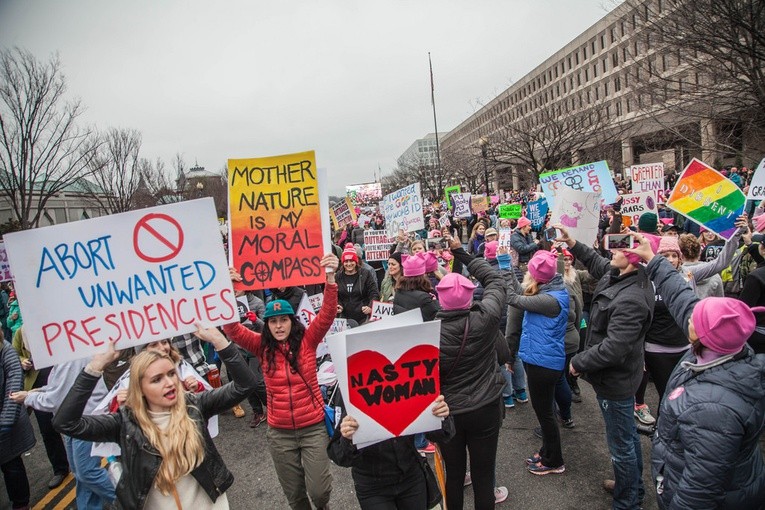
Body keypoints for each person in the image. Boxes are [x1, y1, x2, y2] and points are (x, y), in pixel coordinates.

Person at [628, 233, 765, 509]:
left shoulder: (714, 409)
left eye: (697, 319)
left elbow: (700, 489)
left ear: (702, 336)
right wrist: (652, 259)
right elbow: (681, 296)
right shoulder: (722, 348)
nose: (690, 316)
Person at [53, 324, 256, 509]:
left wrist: (220, 341)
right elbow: (65, 423)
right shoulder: (125, 423)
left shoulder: (195, 405)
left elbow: (245, 385)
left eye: (171, 374)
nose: (169, 382)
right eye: (157, 379)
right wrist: (94, 368)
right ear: (139, 387)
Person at [222, 253, 339, 510]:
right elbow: (231, 329)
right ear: (267, 325)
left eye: (283, 320)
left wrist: (330, 277)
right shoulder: (261, 347)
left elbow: (328, 314)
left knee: (319, 494)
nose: (278, 325)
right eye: (273, 321)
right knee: (296, 498)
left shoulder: (308, 341)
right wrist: (230, 291)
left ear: (291, 321)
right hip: (280, 434)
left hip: (313, 429)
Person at [561, 224, 656, 509]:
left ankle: (628, 501)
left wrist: (578, 362)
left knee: (621, 444)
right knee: (625, 436)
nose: (612, 251)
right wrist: (574, 242)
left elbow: (614, 348)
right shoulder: (619, 275)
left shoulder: (632, 298)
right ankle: (632, 485)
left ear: (635, 258)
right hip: (616, 378)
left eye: (620, 249)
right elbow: (597, 262)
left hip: (615, 380)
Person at [435, 234, 506, 510]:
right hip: (485, 405)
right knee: (483, 476)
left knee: (453, 476)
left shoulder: (428, 334)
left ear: (439, 299)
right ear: (469, 296)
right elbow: (496, 280)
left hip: (448, 412)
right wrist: (462, 254)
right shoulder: (487, 317)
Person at [505, 249, 569, 475]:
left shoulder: (549, 300)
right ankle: (546, 452)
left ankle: (554, 461)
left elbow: (513, 298)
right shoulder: (551, 289)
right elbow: (520, 292)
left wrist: (505, 268)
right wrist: (509, 267)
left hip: (545, 364)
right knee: (545, 412)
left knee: (546, 414)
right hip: (541, 360)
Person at [327, 396, 453, 509]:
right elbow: (338, 454)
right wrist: (347, 439)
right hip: (373, 487)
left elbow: (442, 435)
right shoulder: (348, 388)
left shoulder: (409, 378)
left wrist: (441, 417)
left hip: (411, 476)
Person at [11, 327, 69, 488]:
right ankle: (60, 468)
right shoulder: (21, 332)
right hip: (37, 383)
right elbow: (14, 353)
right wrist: (22, 361)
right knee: (48, 429)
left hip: (59, 378)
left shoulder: (53, 325)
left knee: (72, 422)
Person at [1, 336, 35, 510]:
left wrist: (4, 423)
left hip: (5, 425)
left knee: (11, 465)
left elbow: (13, 385)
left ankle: (21, 504)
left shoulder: (5, 350)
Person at [336, 245, 379, 326]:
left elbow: (374, 293)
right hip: (345, 317)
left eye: (351, 261)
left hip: (363, 317)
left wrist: (370, 306)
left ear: (356, 261)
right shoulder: (338, 276)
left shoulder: (365, 273)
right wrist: (338, 304)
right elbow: (335, 295)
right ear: (343, 262)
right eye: (346, 261)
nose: (349, 264)